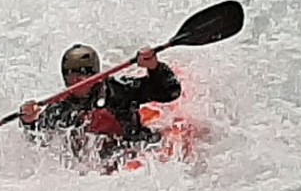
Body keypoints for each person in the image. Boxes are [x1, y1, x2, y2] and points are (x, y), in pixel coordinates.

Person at [19, 43, 181, 169]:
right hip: (100, 164)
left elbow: (170, 92)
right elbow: (38, 137)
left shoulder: (118, 90)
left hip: (136, 148)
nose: (76, 81)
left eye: (82, 75)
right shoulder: (61, 108)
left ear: (95, 74)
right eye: (71, 77)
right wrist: (29, 121)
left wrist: (154, 67)